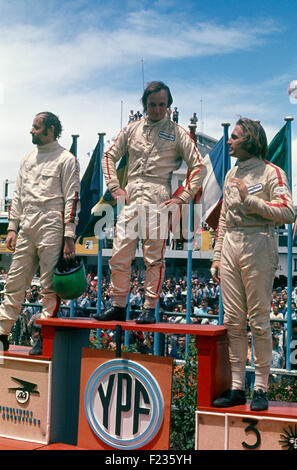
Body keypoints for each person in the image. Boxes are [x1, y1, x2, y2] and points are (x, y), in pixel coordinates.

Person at [93, 81, 206, 324]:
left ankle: (149, 306)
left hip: (158, 195)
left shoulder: (178, 133)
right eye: (152, 105)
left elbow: (199, 167)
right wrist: (114, 187)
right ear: (144, 105)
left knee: (153, 257)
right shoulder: (131, 129)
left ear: (169, 105)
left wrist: (182, 197)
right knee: (120, 253)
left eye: (162, 105)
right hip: (131, 194)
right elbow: (108, 155)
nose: (156, 110)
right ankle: (119, 304)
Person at [211, 118, 295, 411]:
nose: (230, 141)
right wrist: (218, 254)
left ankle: (260, 387)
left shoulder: (272, 172)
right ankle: (237, 387)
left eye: (234, 137)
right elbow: (223, 218)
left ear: (250, 141)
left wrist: (251, 201)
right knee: (232, 320)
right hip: (232, 244)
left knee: (259, 319)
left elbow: (288, 211)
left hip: (259, 242)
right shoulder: (232, 172)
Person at [0, 112, 80, 354]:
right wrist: (12, 227)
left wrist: (69, 236)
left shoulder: (67, 159)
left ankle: (44, 338)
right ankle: (2, 332)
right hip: (27, 224)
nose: (31, 131)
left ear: (51, 129)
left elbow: (73, 199)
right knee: (14, 280)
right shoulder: (26, 158)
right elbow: (18, 195)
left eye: (36, 128)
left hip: (52, 222)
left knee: (49, 285)